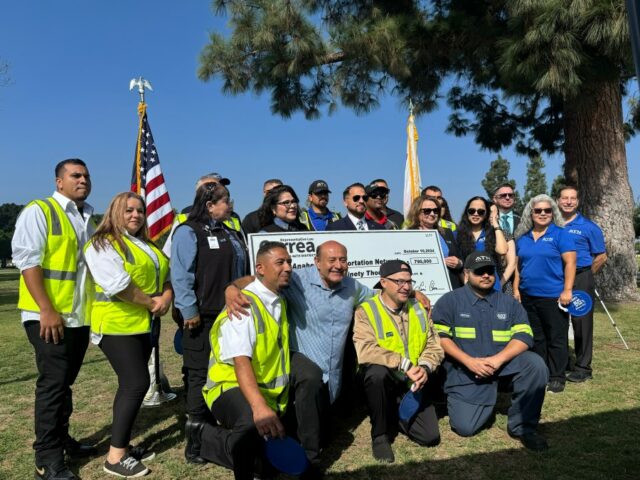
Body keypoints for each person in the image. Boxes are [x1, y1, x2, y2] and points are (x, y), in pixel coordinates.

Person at [224, 241, 433, 476]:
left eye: (342, 260)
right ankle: (306, 461)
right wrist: (232, 289)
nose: (338, 265)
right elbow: (258, 280)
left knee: (326, 434)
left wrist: (412, 291)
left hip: (332, 381)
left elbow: (380, 294)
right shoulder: (297, 279)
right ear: (317, 262)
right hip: (303, 377)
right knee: (285, 441)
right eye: (331, 260)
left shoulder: (352, 287)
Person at [12, 158, 97, 480]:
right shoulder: (40, 211)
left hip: (78, 317)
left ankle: (62, 440)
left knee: (65, 383)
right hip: (47, 316)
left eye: (86, 176)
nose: (83, 180)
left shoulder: (87, 217)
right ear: (59, 181)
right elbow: (28, 263)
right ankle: (46, 458)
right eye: (75, 175)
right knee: (53, 384)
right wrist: (46, 309)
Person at [84, 192, 172, 477]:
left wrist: (166, 295)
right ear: (114, 212)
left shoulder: (145, 244)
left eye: (140, 210)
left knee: (131, 385)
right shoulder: (101, 244)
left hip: (144, 324)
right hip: (116, 325)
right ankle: (115, 457)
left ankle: (122, 445)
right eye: (128, 210)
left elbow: (165, 274)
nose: (135, 215)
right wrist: (153, 303)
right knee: (136, 383)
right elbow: (119, 284)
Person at [432, 252, 549, 451]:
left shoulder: (509, 302)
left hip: (503, 365)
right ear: (467, 274)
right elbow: (440, 338)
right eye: (480, 272)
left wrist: (497, 360)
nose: (486, 275)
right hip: (466, 369)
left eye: (489, 271)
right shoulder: (449, 301)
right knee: (465, 428)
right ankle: (474, 397)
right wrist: (469, 361)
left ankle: (523, 427)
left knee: (535, 365)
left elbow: (524, 336)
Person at [198, 241, 293, 480]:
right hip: (228, 385)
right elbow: (241, 362)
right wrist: (259, 407)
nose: (288, 267)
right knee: (250, 425)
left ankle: (210, 442)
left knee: (269, 467)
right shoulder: (244, 306)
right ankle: (211, 441)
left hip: (263, 389)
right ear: (260, 269)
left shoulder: (278, 300)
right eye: (280, 262)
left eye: (289, 262)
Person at [170, 183, 249, 464]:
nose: (230, 205)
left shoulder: (230, 231)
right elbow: (181, 274)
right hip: (201, 319)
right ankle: (195, 441)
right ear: (209, 204)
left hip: (231, 316)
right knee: (198, 375)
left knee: (227, 371)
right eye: (226, 200)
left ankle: (223, 428)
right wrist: (189, 310)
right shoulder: (188, 231)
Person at [353, 260, 443, 463]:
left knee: (430, 437)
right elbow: (365, 349)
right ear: (383, 282)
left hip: (412, 383)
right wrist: (404, 364)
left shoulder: (418, 308)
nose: (406, 287)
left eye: (409, 282)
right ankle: (380, 435)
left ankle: (394, 413)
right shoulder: (366, 310)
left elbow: (434, 345)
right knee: (376, 373)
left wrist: (425, 368)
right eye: (399, 281)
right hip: (386, 378)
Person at [513, 194, 576, 393]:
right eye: (538, 210)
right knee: (537, 338)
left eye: (547, 210)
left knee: (556, 337)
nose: (542, 214)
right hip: (528, 296)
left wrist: (567, 290)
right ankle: (542, 373)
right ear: (530, 214)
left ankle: (557, 376)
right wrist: (515, 289)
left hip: (553, 296)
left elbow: (571, 263)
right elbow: (517, 267)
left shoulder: (561, 234)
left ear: (553, 213)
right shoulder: (523, 238)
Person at [557, 185, 607, 382]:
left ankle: (583, 367)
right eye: (564, 198)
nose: (568, 202)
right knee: (558, 321)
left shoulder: (588, 227)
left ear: (577, 202)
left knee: (581, 323)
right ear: (558, 201)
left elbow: (601, 256)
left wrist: (585, 275)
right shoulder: (552, 224)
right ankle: (562, 361)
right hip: (556, 277)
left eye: (572, 198)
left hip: (581, 276)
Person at [163, 172, 242, 256]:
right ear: (201, 193)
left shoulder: (233, 220)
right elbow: (170, 256)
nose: (221, 190)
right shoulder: (183, 223)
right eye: (212, 186)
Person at [404, 195, 463, 288]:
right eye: (427, 211)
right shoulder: (408, 235)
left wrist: (459, 263)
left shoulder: (447, 232)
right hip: (422, 288)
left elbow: (460, 257)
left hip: (450, 288)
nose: (432, 214)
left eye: (435, 211)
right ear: (416, 212)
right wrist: (438, 262)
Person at [456, 196, 508, 291]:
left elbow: (502, 250)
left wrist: (495, 224)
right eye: (472, 211)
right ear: (466, 212)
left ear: (486, 214)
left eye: (481, 212)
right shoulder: (457, 234)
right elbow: (457, 262)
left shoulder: (493, 232)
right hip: (468, 285)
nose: (476, 214)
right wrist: (465, 282)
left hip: (491, 286)